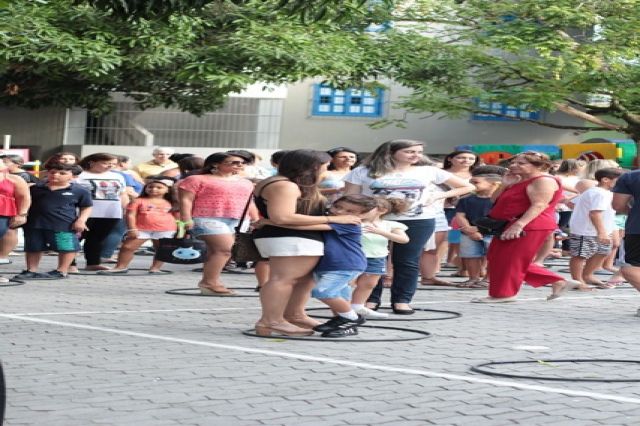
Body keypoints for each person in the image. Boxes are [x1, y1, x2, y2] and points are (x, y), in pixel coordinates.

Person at [344, 139, 473, 314]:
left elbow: (467, 186)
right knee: (374, 259)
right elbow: (351, 197)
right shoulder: (363, 171)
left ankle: (402, 300)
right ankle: (369, 300)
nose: (416, 155)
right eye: (410, 152)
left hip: (418, 219)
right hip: (375, 220)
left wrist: (437, 196)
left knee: (407, 260)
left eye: (419, 152)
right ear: (390, 152)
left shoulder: (429, 171)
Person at [252, 150, 361, 336]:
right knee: (283, 279)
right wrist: (332, 221)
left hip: (295, 236)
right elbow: (283, 217)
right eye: (325, 167)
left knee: (304, 279)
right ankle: (271, 321)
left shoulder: (286, 183)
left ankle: (294, 314)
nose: (326, 171)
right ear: (311, 167)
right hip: (289, 237)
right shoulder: (285, 185)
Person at [472, 152, 580, 303]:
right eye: (514, 162)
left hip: (530, 225)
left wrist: (519, 225)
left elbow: (540, 205)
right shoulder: (520, 179)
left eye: (521, 163)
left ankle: (504, 294)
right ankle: (557, 281)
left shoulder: (543, 180)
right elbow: (494, 200)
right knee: (497, 257)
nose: (513, 165)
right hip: (511, 224)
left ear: (540, 166)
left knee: (510, 260)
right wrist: (504, 184)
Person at [178, 152, 254, 295]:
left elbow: (249, 202)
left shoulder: (246, 182)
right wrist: (186, 219)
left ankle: (210, 282)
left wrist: (254, 218)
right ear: (215, 164)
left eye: (242, 163)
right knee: (225, 250)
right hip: (206, 217)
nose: (239, 165)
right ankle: (209, 282)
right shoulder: (196, 179)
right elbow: (186, 200)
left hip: (238, 219)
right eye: (234, 162)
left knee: (217, 252)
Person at [15, 163, 92, 280]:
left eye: (62, 173)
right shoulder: (34, 188)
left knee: (67, 247)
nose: (56, 175)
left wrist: (81, 220)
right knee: (33, 247)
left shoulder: (80, 191)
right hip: (34, 223)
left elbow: (86, 206)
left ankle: (61, 270)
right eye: (52, 172)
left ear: (72, 176)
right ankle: (31, 270)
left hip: (64, 224)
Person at [351, 197, 409, 318]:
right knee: (348, 282)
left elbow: (404, 239)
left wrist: (379, 232)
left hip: (376, 258)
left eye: (366, 208)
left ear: (381, 210)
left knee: (369, 284)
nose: (361, 211)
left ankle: (358, 305)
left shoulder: (389, 224)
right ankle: (344, 307)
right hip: (354, 257)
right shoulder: (354, 222)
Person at [568, 168, 624, 289]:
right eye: (619, 180)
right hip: (587, 230)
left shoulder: (604, 192)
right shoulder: (598, 193)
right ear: (605, 180)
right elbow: (595, 213)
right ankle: (577, 280)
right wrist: (601, 232)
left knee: (603, 251)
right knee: (580, 255)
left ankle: (587, 275)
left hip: (603, 229)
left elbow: (572, 202)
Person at [76, 153, 129, 271]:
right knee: (75, 238)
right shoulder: (79, 175)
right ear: (92, 162)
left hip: (110, 212)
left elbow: (122, 194)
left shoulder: (118, 176)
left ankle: (93, 262)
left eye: (113, 164)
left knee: (97, 239)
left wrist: (126, 209)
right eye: (105, 163)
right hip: (84, 212)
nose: (109, 166)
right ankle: (69, 264)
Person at [454, 170, 504, 288]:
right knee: (471, 255)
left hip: (492, 232)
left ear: (494, 184)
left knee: (494, 256)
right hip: (469, 233)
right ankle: (473, 278)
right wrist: (467, 228)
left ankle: (488, 279)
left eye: (476, 182)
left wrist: (478, 228)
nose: (472, 185)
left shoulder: (500, 199)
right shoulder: (466, 199)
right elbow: (460, 215)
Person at [441, 150, 479, 274]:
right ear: (450, 159)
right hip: (445, 208)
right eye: (461, 157)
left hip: (468, 210)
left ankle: (463, 267)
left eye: (470, 158)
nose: (466, 161)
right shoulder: (441, 174)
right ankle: (447, 261)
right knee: (446, 237)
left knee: (463, 238)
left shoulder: (477, 174)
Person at [612, 168, 640, 300]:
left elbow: (618, 205)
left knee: (630, 268)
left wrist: (632, 213)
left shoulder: (631, 177)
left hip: (637, 228)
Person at [0, 161, 31, 280]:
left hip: (3, 214)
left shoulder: (14, 179)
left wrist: (22, 214)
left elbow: (24, 197)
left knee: (3, 242)